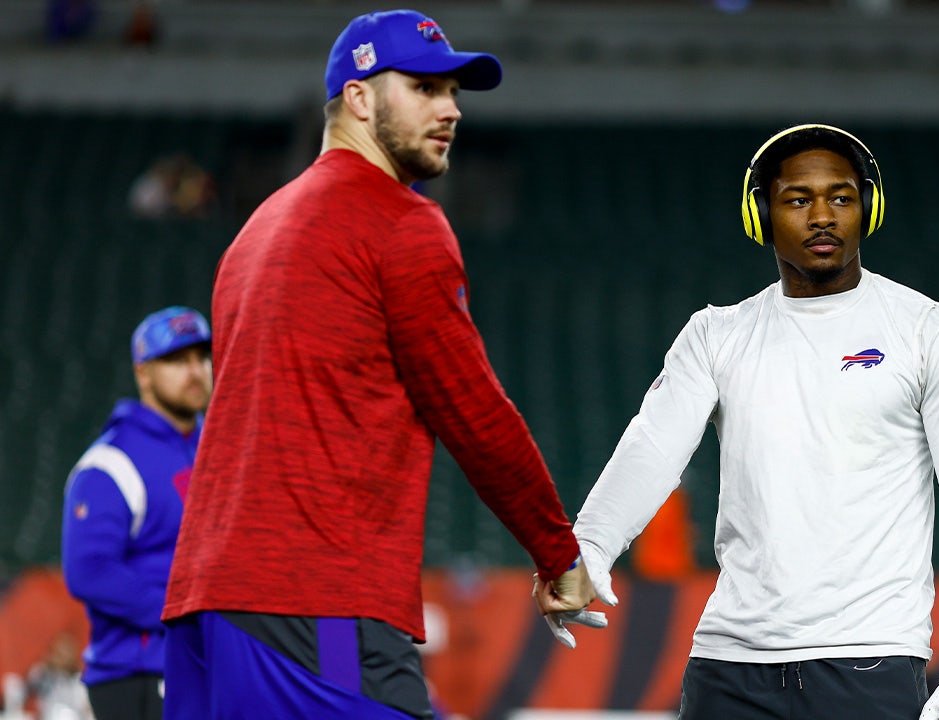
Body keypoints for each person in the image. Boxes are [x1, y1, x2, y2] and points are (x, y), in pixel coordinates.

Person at [161, 9, 594, 720]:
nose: (451, 108)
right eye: (424, 88)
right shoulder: (401, 222)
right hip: (312, 601)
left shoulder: (257, 229)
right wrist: (558, 553)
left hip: (205, 608)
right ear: (359, 97)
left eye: (453, 92)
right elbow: (473, 412)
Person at [541, 124, 939, 720]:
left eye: (842, 197)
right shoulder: (716, 336)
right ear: (758, 214)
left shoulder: (930, 332)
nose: (823, 216)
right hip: (727, 670)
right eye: (798, 199)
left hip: (869, 664)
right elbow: (651, 449)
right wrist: (588, 548)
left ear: (870, 207)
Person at [62, 306, 212, 720]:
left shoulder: (216, 448)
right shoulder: (112, 462)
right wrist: (190, 617)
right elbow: (89, 571)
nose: (195, 370)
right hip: (139, 674)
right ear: (142, 372)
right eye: (176, 360)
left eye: (201, 357)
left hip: (208, 663)